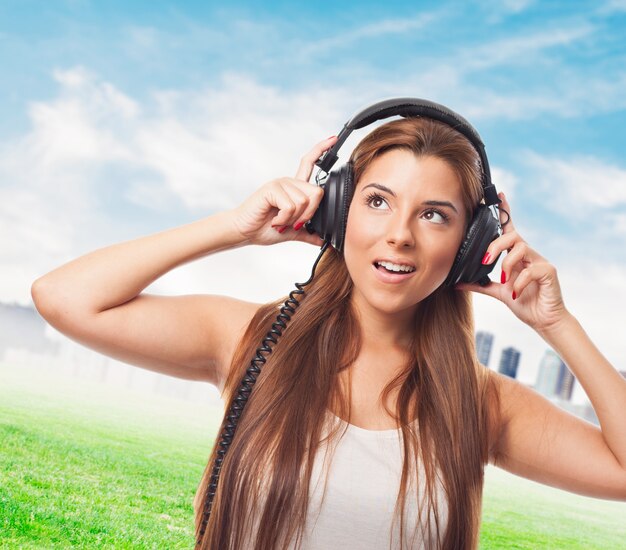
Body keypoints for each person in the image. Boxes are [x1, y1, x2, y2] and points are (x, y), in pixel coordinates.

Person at [31, 110, 626, 550]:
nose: (399, 234)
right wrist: (234, 227)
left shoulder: (481, 402)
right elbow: (64, 299)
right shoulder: (249, 339)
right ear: (337, 208)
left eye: (434, 214)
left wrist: (556, 323)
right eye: (376, 202)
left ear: (471, 244)